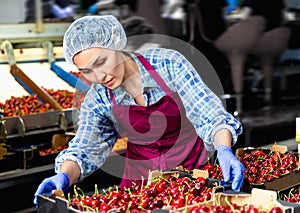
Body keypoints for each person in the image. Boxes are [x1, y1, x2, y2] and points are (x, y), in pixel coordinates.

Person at [33, 15, 244, 205]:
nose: (100, 77)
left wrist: (223, 149)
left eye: (102, 62)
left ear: (117, 44)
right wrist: (63, 176)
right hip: (139, 187)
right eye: (87, 71)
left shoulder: (168, 64)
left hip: (191, 178)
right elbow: (86, 148)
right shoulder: (99, 98)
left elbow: (210, 114)